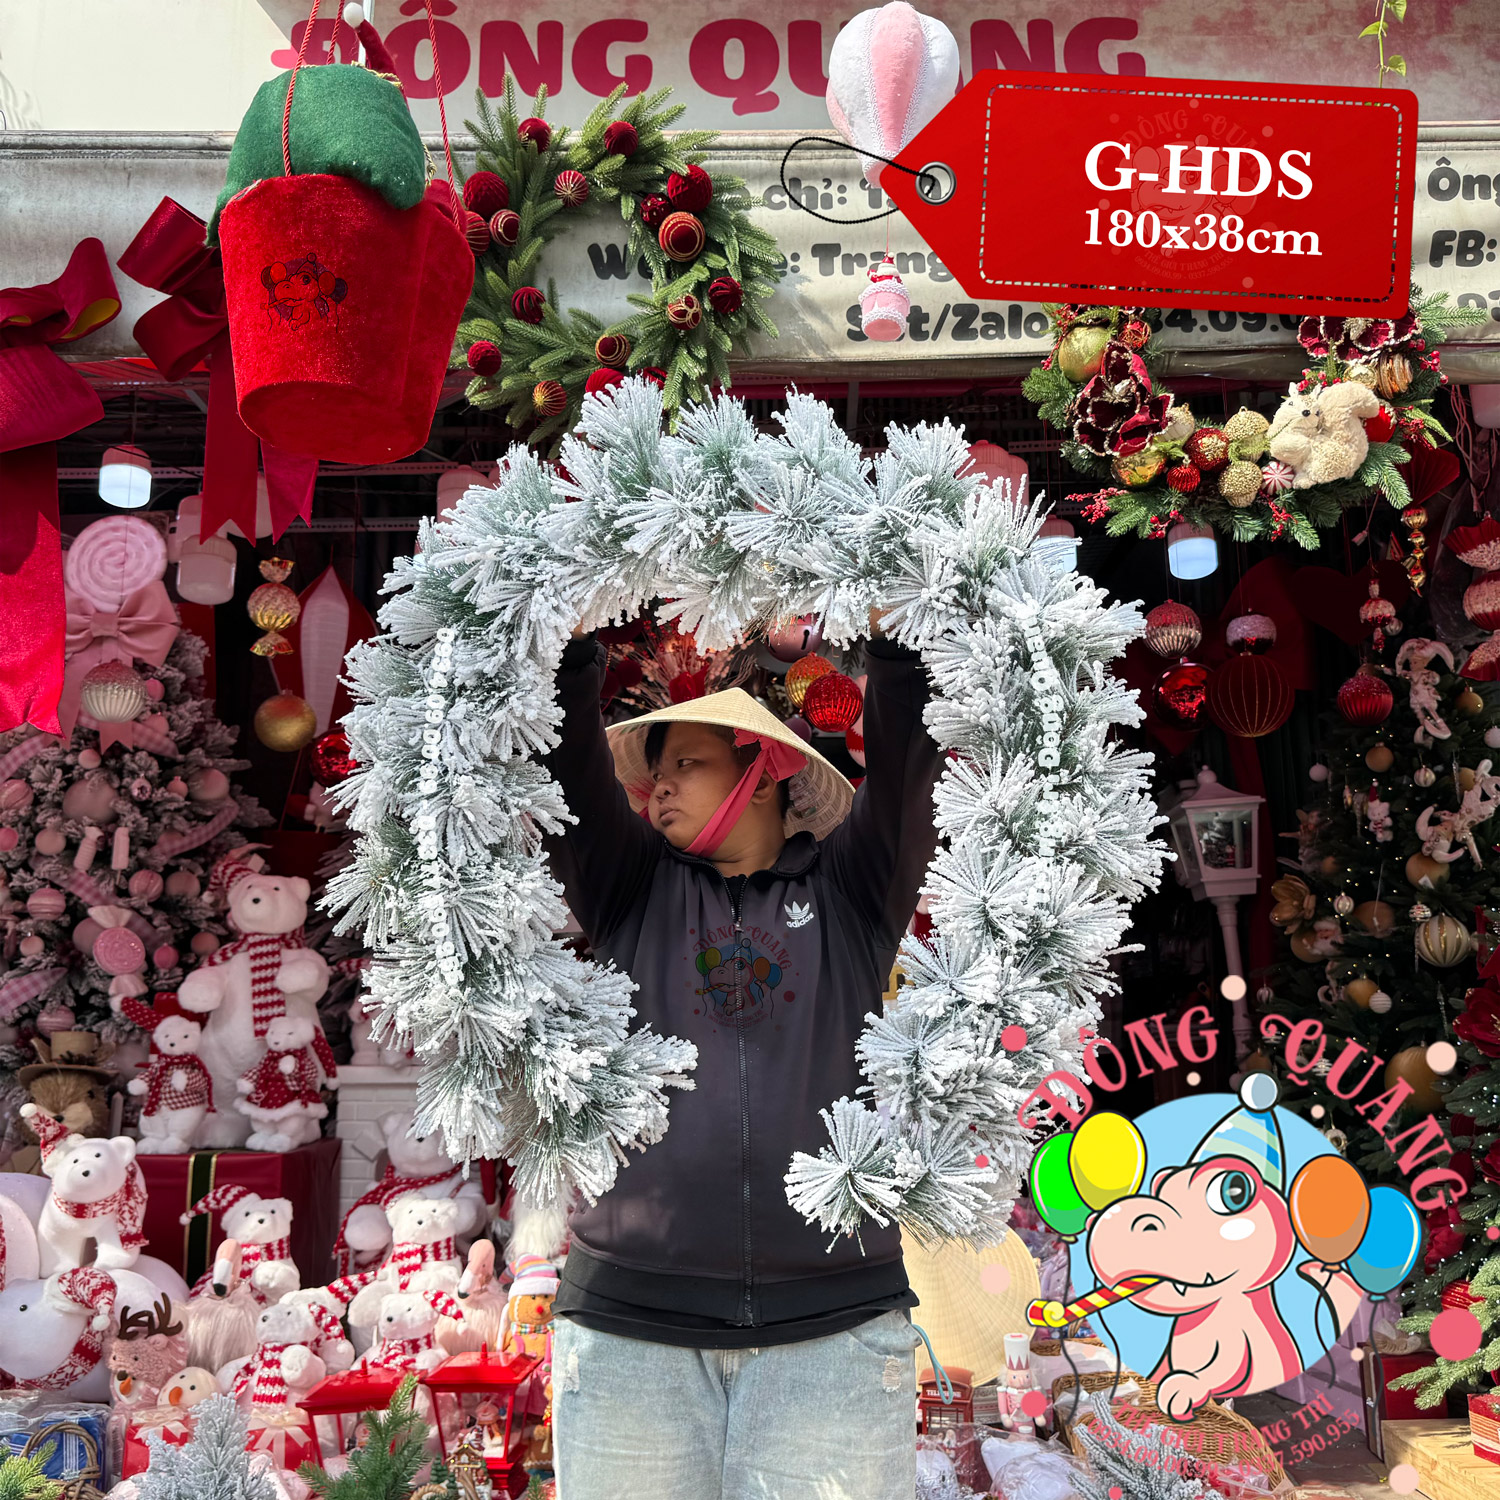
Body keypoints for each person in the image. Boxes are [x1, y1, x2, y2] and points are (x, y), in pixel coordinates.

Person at [542, 613, 943, 1500]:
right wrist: (571, 652)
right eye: (655, 773)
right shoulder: (629, 888)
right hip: (629, 1329)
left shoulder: (852, 892)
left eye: (688, 763)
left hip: (835, 1326)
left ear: (765, 772)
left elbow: (905, 778)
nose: (660, 788)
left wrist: (894, 645)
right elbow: (570, 772)